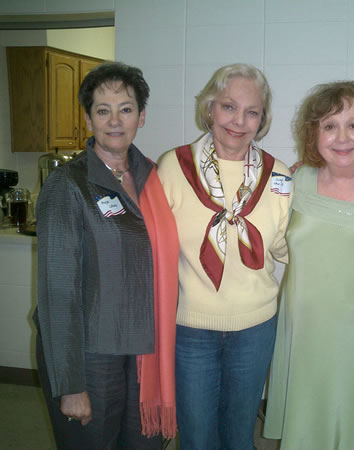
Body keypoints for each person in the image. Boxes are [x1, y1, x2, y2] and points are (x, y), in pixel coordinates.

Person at [35, 62, 179, 449]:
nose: (115, 120)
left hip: (146, 352)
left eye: (126, 109)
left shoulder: (153, 176)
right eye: (103, 110)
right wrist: (70, 384)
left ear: (142, 116)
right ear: (88, 118)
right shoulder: (68, 185)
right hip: (91, 356)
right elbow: (57, 291)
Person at [263, 81, 354, 449]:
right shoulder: (295, 181)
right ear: (314, 134)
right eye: (329, 126)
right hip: (306, 333)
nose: (341, 137)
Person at [157, 63, 292, 449]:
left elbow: (286, 245)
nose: (239, 121)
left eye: (252, 112)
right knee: (197, 438)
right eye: (229, 107)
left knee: (238, 436)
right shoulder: (173, 166)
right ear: (210, 108)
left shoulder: (278, 175)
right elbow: (153, 248)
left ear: (263, 119)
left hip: (255, 327)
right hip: (191, 329)